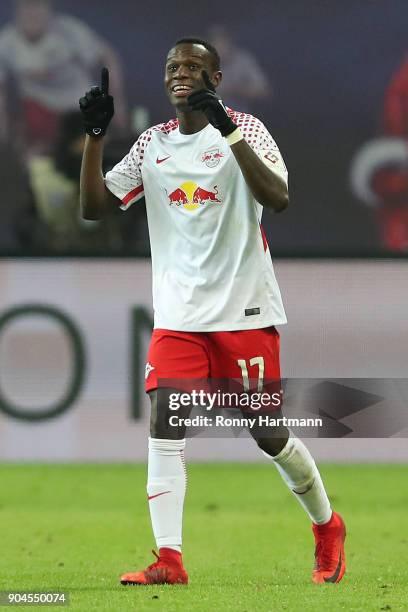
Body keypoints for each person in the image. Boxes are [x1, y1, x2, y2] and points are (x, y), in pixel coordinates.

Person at [79, 38, 346, 586]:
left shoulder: (245, 130)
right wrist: (95, 137)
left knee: (268, 433)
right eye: (173, 67)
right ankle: (169, 560)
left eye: (194, 66)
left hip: (245, 312)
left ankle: (328, 526)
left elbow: (278, 198)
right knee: (165, 420)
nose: (181, 74)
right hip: (179, 316)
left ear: (215, 78)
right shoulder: (153, 144)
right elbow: (93, 208)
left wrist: (226, 129)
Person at [0, 0, 127, 156]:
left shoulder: (69, 31)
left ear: (48, 10)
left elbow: (108, 58)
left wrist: (116, 101)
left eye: (38, 7)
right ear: (17, 11)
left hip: (77, 107)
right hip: (38, 112)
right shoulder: (6, 42)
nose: (32, 14)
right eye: (27, 8)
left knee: (86, 155)